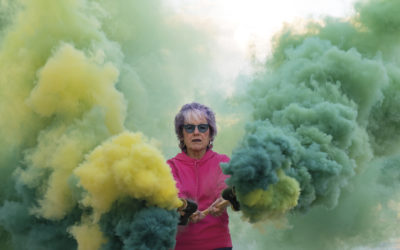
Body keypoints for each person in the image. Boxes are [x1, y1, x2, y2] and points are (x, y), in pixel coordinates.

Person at [167, 102, 233, 250]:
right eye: (189, 128)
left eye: (202, 127)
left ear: (210, 133)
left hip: (218, 245)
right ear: (181, 135)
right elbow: (174, 196)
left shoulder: (222, 162)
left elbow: (226, 187)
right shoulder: (171, 166)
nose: (196, 132)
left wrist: (223, 200)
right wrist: (184, 208)